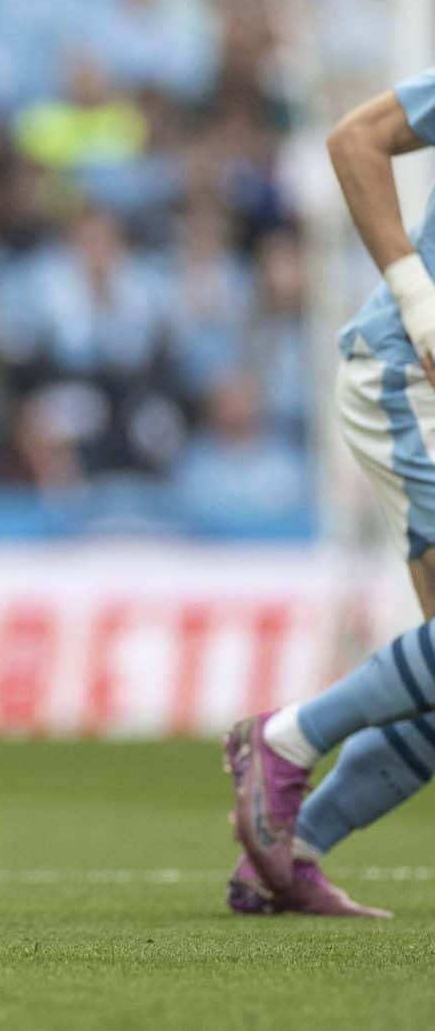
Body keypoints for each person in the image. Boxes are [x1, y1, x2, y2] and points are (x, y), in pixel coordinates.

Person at [221, 68, 435, 919]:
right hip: (409, 377)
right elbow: (355, 138)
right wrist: (419, 301)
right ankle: (283, 739)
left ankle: (288, 850)